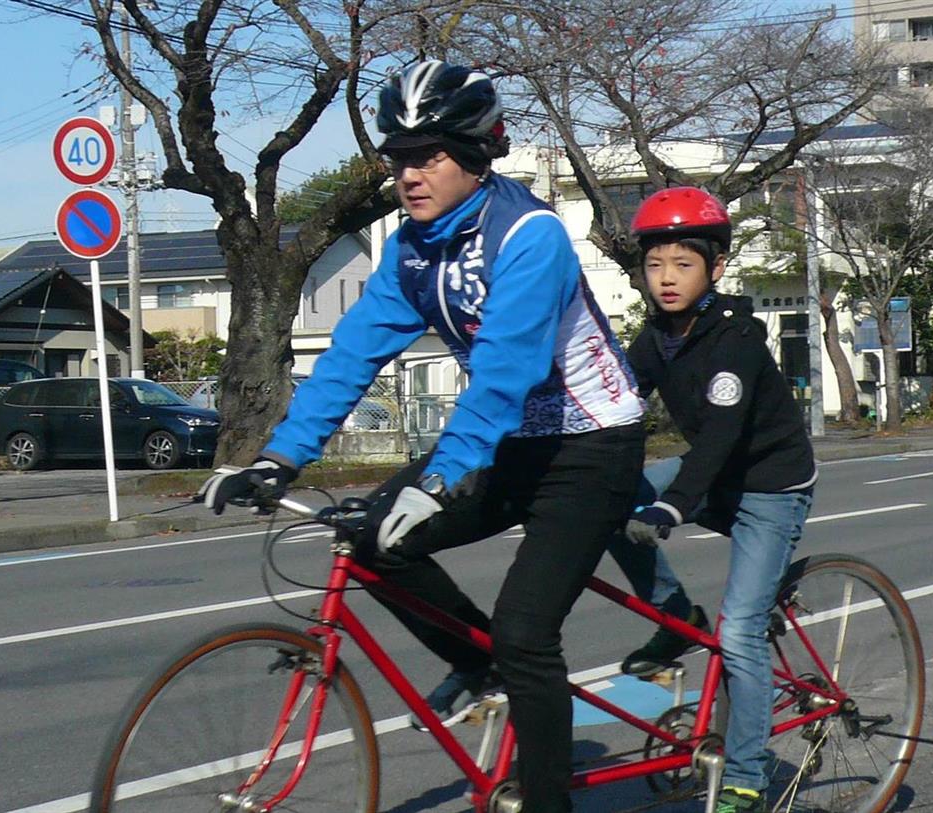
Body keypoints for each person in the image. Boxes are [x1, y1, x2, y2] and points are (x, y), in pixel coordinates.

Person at [200, 60, 646, 813]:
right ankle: (480, 663)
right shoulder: (412, 247)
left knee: (527, 632)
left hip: (588, 443)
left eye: (429, 154)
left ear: (474, 154)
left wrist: (439, 478)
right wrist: (277, 456)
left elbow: (505, 375)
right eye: (399, 155)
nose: (409, 172)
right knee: (372, 542)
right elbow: (351, 354)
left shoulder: (529, 236)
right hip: (504, 443)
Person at [603, 187, 817, 813]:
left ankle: (748, 778)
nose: (666, 278)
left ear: (716, 267)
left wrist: (672, 507)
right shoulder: (656, 337)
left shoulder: (736, 338)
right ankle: (677, 620)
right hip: (716, 478)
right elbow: (612, 405)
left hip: (771, 488)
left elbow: (721, 436)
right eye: (655, 265)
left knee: (743, 632)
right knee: (610, 496)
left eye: (683, 264)